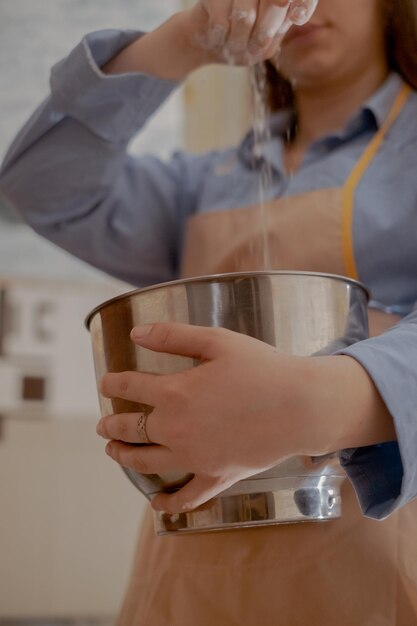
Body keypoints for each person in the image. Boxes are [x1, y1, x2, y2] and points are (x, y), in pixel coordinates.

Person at [1, 0, 417, 623]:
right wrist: (179, 44)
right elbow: (42, 187)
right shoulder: (208, 179)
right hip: (191, 573)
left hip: (377, 562)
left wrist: (318, 402)